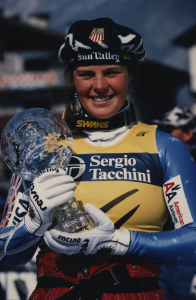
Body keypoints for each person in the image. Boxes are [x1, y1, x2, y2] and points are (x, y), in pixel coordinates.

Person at [1, 18, 196, 300]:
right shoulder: (42, 149)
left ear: (131, 76)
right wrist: (32, 224)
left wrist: (119, 242)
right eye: (86, 73)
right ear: (71, 79)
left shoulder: (164, 147)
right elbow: (4, 259)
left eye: (112, 72)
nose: (100, 85)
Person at [153, 107, 196, 300]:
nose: (162, 132)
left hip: (189, 252)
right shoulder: (159, 158)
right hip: (160, 247)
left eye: (168, 128)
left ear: (188, 133)